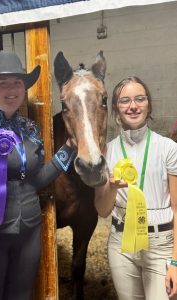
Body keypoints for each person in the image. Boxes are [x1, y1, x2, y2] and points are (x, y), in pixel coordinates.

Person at [0, 51, 75, 300]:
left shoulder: (30, 128)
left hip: (26, 231)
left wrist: (68, 151)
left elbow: (35, 180)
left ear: (24, 87)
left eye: (17, 82)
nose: (11, 89)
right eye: (2, 82)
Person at [94, 76, 177, 300]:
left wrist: (175, 261)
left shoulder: (168, 148)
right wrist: (110, 187)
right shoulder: (106, 152)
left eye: (140, 99)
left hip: (160, 245)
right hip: (121, 245)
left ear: (148, 103)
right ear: (115, 108)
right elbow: (102, 210)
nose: (133, 106)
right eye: (125, 101)